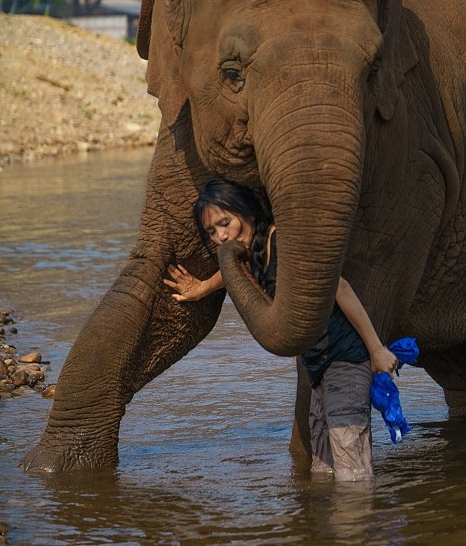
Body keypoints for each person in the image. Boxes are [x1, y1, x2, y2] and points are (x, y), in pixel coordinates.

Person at [164, 177, 398, 480]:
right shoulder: (251, 252)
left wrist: (377, 350)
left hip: (345, 360)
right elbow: (230, 274)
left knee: (352, 476)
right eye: (211, 231)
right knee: (323, 471)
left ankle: (359, 525)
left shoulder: (282, 241)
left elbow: (339, 287)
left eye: (225, 223)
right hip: (317, 368)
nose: (221, 236)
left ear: (247, 213)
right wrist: (200, 290)